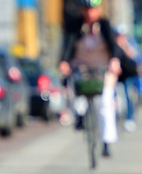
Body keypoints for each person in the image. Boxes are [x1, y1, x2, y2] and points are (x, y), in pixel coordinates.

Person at [60, 0, 122, 158]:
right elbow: (67, 46)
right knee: (74, 93)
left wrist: (114, 61)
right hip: (81, 67)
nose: (90, 13)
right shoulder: (75, 26)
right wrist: (64, 63)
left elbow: (114, 47)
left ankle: (106, 142)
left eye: (93, 9)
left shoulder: (105, 25)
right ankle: (80, 117)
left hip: (103, 69)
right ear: (82, 10)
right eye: (87, 9)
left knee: (105, 103)